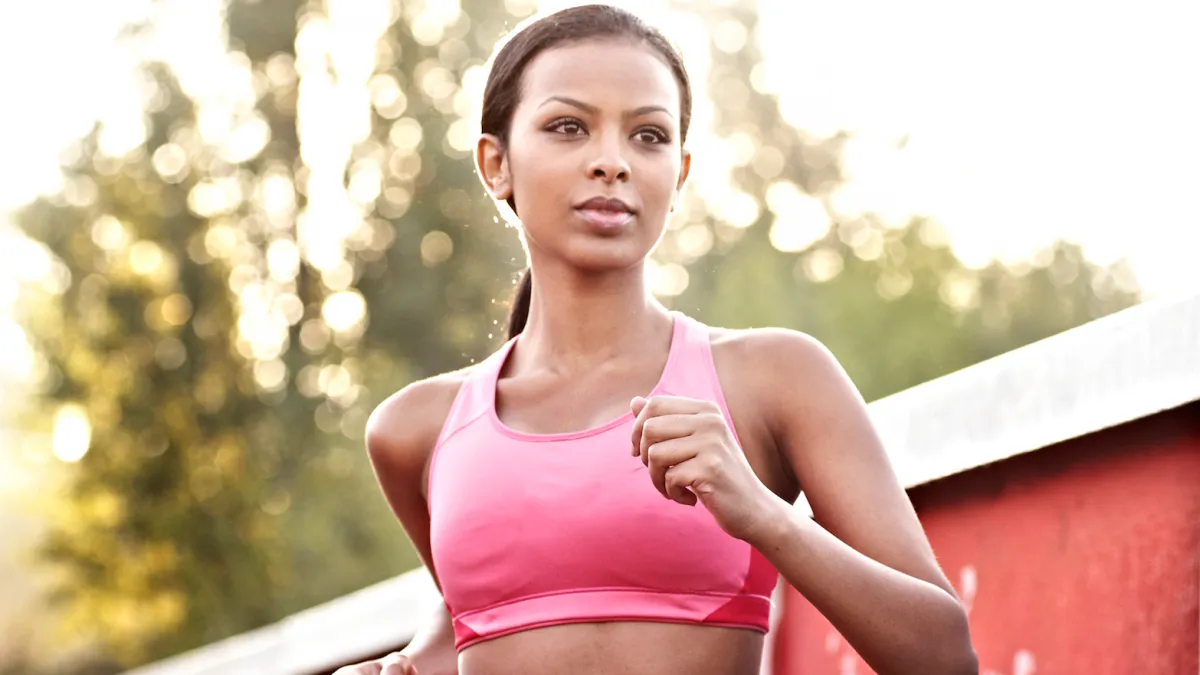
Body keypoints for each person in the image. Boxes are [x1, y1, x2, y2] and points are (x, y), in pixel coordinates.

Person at [337, 4, 977, 675]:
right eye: (568, 127)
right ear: (496, 163)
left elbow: (944, 656)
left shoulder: (775, 379)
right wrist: (404, 667)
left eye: (648, 136)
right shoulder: (414, 433)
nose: (612, 161)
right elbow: (476, 626)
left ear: (680, 173)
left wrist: (763, 514)